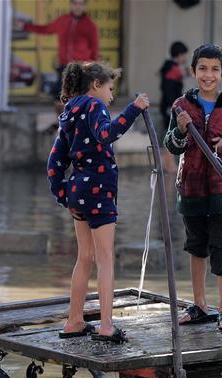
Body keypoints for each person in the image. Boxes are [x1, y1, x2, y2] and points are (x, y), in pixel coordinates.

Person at [47, 62, 150, 344]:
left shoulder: (69, 112)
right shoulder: (95, 107)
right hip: (100, 192)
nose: (111, 95)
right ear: (96, 85)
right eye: (110, 88)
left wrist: (63, 195)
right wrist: (135, 108)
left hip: (78, 192)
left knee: (84, 258)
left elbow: (55, 160)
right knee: (105, 260)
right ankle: (106, 326)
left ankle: (74, 321)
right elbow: (108, 134)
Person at [164, 44, 222, 332]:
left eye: (214, 69)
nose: (208, 75)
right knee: (195, 248)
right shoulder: (181, 106)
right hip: (191, 191)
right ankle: (200, 305)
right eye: (202, 68)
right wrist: (180, 131)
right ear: (193, 71)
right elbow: (171, 143)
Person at [24, 0, 99, 125]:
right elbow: (46, 29)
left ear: (85, 6)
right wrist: (25, 26)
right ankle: (63, 122)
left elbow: (94, 49)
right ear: (71, 5)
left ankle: (78, 125)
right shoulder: (63, 20)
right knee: (59, 96)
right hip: (64, 67)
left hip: (80, 68)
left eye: (81, 4)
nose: (77, 7)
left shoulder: (90, 25)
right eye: (75, 3)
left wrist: (93, 69)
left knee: (78, 98)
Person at [159, 41, 188, 173]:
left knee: (168, 133)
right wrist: (174, 106)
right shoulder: (173, 69)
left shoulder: (170, 67)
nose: (185, 58)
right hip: (170, 106)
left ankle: (167, 163)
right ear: (179, 54)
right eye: (184, 55)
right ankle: (169, 164)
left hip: (169, 105)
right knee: (169, 134)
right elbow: (170, 90)